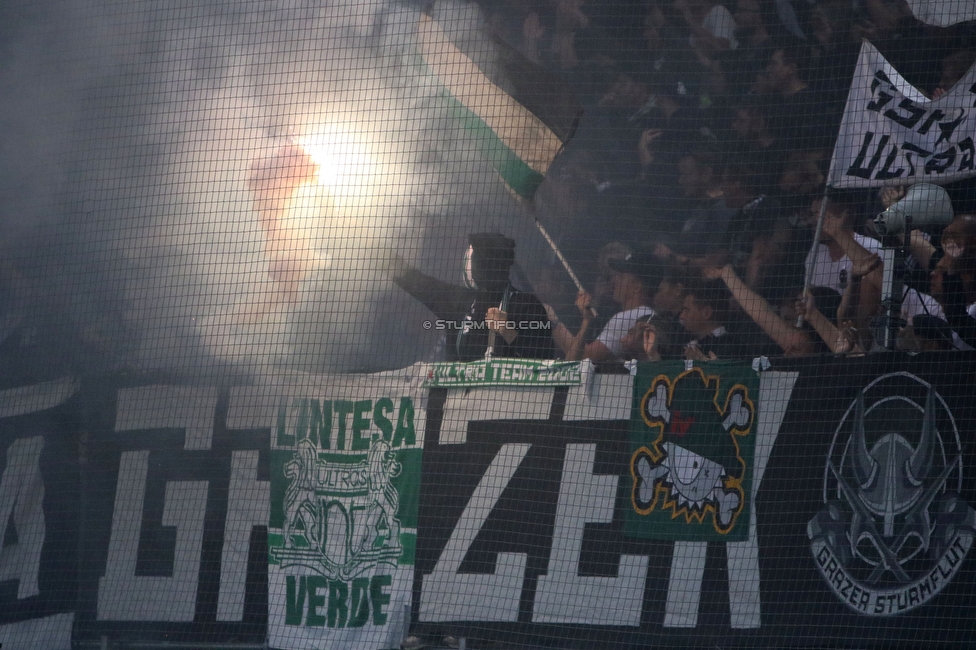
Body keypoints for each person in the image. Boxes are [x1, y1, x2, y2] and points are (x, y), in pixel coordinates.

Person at [389, 233, 554, 362]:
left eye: (471, 257)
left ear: (483, 265)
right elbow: (418, 283)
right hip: (455, 403)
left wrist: (507, 331)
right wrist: (374, 250)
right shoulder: (460, 302)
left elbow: (544, 360)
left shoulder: (527, 305)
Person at [573, 251, 664, 362]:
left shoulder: (626, 317)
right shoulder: (651, 314)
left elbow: (582, 358)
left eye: (621, 276)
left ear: (636, 287)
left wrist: (553, 320)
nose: (614, 280)